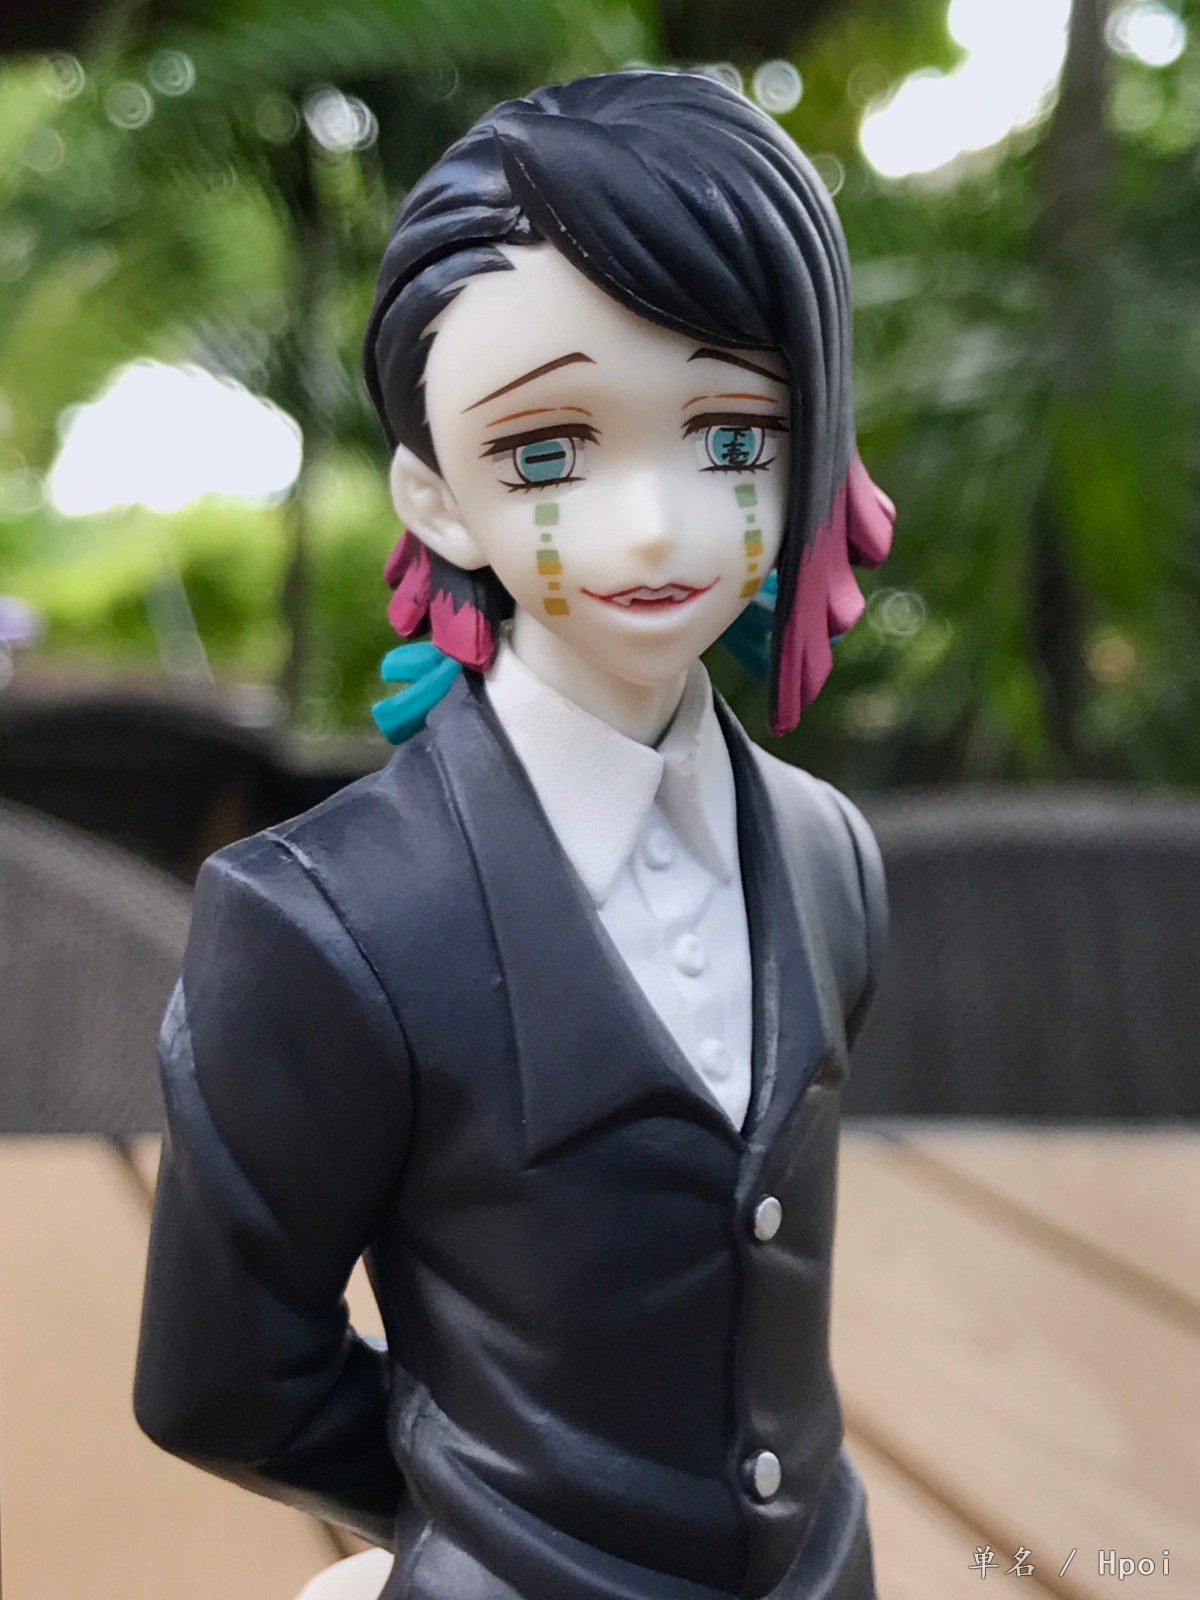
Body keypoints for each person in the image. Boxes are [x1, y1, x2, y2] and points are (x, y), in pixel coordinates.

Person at [135, 69, 894, 1600]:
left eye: (731, 435)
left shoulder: (829, 857)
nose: (654, 523)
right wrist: (488, 1513)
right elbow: (223, 1378)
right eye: (546, 452)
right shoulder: (322, 917)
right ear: (434, 496)